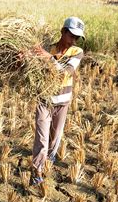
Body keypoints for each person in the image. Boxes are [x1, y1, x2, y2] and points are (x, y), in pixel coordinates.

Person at [29, 16, 85, 185]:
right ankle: (37, 172)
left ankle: (49, 159)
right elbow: (31, 68)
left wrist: (48, 58)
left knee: (54, 139)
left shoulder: (77, 52)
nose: (73, 40)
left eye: (76, 38)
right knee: (42, 139)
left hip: (62, 101)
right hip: (44, 100)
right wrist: (24, 57)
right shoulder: (47, 48)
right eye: (71, 36)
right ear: (63, 31)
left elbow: (66, 72)